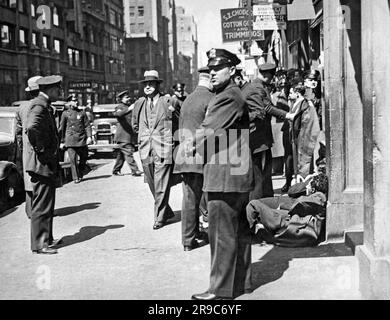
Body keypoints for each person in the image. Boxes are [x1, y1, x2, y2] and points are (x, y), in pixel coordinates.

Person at [190, 48, 254, 300]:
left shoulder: (227, 97)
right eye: (210, 69)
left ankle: (219, 291)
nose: (212, 73)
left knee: (221, 235)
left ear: (232, 70)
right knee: (238, 232)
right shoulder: (232, 94)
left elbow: (206, 131)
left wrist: (189, 144)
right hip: (234, 174)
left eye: (218, 68)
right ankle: (241, 283)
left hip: (224, 175)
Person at [241, 63, 295, 201]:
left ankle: (266, 200)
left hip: (261, 137)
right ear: (265, 75)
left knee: (264, 172)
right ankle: (258, 204)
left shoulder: (258, 86)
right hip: (257, 138)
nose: (272, 80)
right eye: (271, 77)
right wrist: (287, 115)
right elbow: (267, 108)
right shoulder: (256, 88)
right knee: (258, 173)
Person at [174, 67, 214, 251]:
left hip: (185, 156)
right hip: (200, 156)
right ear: (210, 79)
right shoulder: (210, 98)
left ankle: (191, 237)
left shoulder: (188, 99)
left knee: (191, 198)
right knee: (197, 199)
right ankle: (189, 239)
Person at [132, 70, 177, 230]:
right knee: (152, 183)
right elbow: (135, 125)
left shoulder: (168, 101)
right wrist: (144, 136)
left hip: (164, 148)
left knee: (161, 183)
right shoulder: (139, 103)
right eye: (146, 84)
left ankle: (159, 218)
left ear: (158, 85)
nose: (148, 86)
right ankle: (166, 211)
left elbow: (178, 122)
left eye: (151, 84)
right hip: (145, 148)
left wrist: (169, 138)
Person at [25, 75, 63, 255]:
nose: (59, 92)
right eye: (57, 89)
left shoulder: (43, 105)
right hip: (41, 163)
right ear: (49, 90)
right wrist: (42, 150)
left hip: (45, 163)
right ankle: (40, 244)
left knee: (47, 202)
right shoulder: (38, 106)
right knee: (41, 205)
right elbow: (32, 128)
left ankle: (47, 238)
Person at [246, 173, 328, 248]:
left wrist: (306, 185)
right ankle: (253, 231)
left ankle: (249, 235)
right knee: (258, 206)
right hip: (291, 219)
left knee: (253, 204)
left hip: (287, 221)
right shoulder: (320, 199)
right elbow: (293, 193)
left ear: (313, 189)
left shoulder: (315, 199)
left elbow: (295, 200)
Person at [16, 76, 43, 218]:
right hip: (41, 150)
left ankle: (30, 210)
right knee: (42, 181)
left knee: (29, 180)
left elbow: (18, 132)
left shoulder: (21, 107)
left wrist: (22, 147)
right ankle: (40, 212)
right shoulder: (43, 107)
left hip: (27, 150)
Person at [289, 81, 321, 179]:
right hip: (298, 137)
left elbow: (307, 122)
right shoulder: (298, 103)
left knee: (303, 164)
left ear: (297, 94)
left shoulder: (305, 104)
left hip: (303, 137)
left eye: (291, 93)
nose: (289, 95)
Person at [59, 94, 93, 184]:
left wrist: (89, 136)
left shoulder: (82, 112)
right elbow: (61, 128)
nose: (76, 102)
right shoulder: (65, 114)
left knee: (84, 157)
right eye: (74, 100)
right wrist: (62, 141)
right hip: (70, 139)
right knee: (73, 160)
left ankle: (80, 173)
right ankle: (75, 177)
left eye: (76, 100)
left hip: (81, 139)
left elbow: (87, 125)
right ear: (69, 102)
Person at [112, 91, 142, 177]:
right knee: (128, 152)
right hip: (123, 136)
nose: (129, 99)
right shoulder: (120, 107)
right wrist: (129, 109)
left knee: (122, 155)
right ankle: (135, 170)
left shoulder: (128, 107)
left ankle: (116, 170)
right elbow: (118, 114)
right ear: (121, 99)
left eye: (129, 97)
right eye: (126, 98)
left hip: (129, 135)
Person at [272, 73, 294, 192]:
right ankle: (289, 180)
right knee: (288, 156)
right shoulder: (277, 96)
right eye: (281, 84)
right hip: (286, 128)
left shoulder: (297, 93)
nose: (283, 86)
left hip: (296, 128)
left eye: (285, 84)